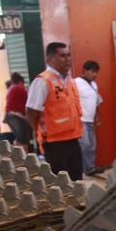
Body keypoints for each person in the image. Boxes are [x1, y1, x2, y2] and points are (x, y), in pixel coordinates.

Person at [26, 43, 84, 181]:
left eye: (68, 55)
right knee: (61, 183)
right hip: (54, 142)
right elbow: (31, 111)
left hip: (73, 139)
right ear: (50, 59)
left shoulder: (70, 80)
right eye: (62, 56)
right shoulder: (42, 81)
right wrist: (37, 131)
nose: (67, 59)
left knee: (77, 180)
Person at [75, 60, 104, 176]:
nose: (95, 74)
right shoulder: (76, 83)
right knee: (85, 144)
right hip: (80, 120)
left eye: (96, 72)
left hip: (90, 120)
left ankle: (89, 168)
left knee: (91, 145)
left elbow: (96, 102)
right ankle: (77, 167)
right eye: (92, 71)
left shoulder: (94, 85)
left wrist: (97, 117)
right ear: (85, 71)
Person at [4, 73, 32, 152]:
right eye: (23, 84)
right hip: (16, 116)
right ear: (20, 82)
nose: (23, 86)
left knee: (18, 139)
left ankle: (18, 157)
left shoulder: (11, 88)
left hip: (10, 116)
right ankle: (25, 159)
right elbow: (30, 97)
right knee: (24, 140)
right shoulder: (18, 88)